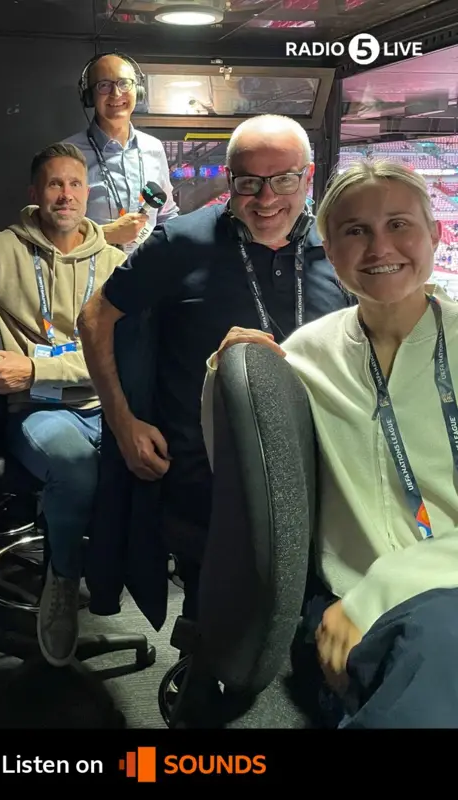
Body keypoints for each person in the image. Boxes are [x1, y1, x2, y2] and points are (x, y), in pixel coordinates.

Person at [204, 159, 458, 727]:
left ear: (435, 234)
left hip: (407, 594)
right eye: (355, 230)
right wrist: (225, 372)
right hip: (355, 604)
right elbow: (246, 478)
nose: (379, 246)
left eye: (399, 224)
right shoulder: (305, 354)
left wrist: (386, 589)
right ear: (329, 247)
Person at [78, 114, 353, 622]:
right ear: (230, 181)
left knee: (311, 624)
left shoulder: (338, 249)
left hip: (318, 476)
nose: (266, 199)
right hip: (206, 484)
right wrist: (122, 423)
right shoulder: (180, 243)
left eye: (284, 180)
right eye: (249, 182)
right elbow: (94, 317)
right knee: (219, 626)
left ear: (308, 178)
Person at [0, 142, 126, 667]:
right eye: (55, 183)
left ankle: (117, 577)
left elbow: (128, 351)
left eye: (75, 184)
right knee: (75, 468)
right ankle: (62, 581)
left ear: (88, 193)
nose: (66, 194)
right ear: (35, 193)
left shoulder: (117, 262)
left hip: (108, 405)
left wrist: (37, 367)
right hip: (38, 411)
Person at [65, 52, 179, 252]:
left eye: (124, 83)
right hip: (93, 277)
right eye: (104, 85)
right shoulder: (68, 155)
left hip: (147, 275)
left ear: (139, 91)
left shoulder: (154, 148)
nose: (116, 93)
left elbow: (166, 215)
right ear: (90, 96)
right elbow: (53, 231)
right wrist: (107, 233)